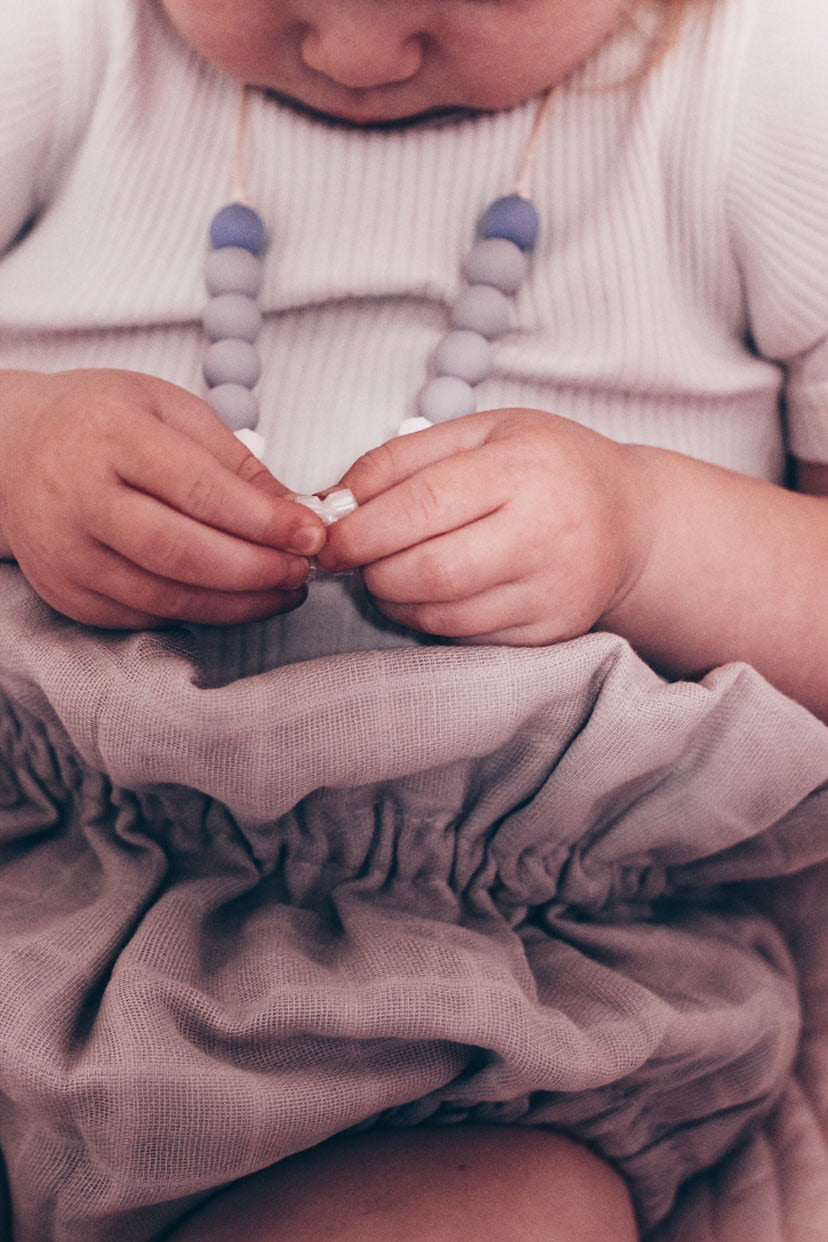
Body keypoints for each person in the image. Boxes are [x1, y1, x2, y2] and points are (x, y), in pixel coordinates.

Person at [0, 0, 825, 1239]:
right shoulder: (56, 48)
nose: (354, 51)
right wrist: (17, 451)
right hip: (39, 841)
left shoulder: (764, 96)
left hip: (499, 996)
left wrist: (651, 532)